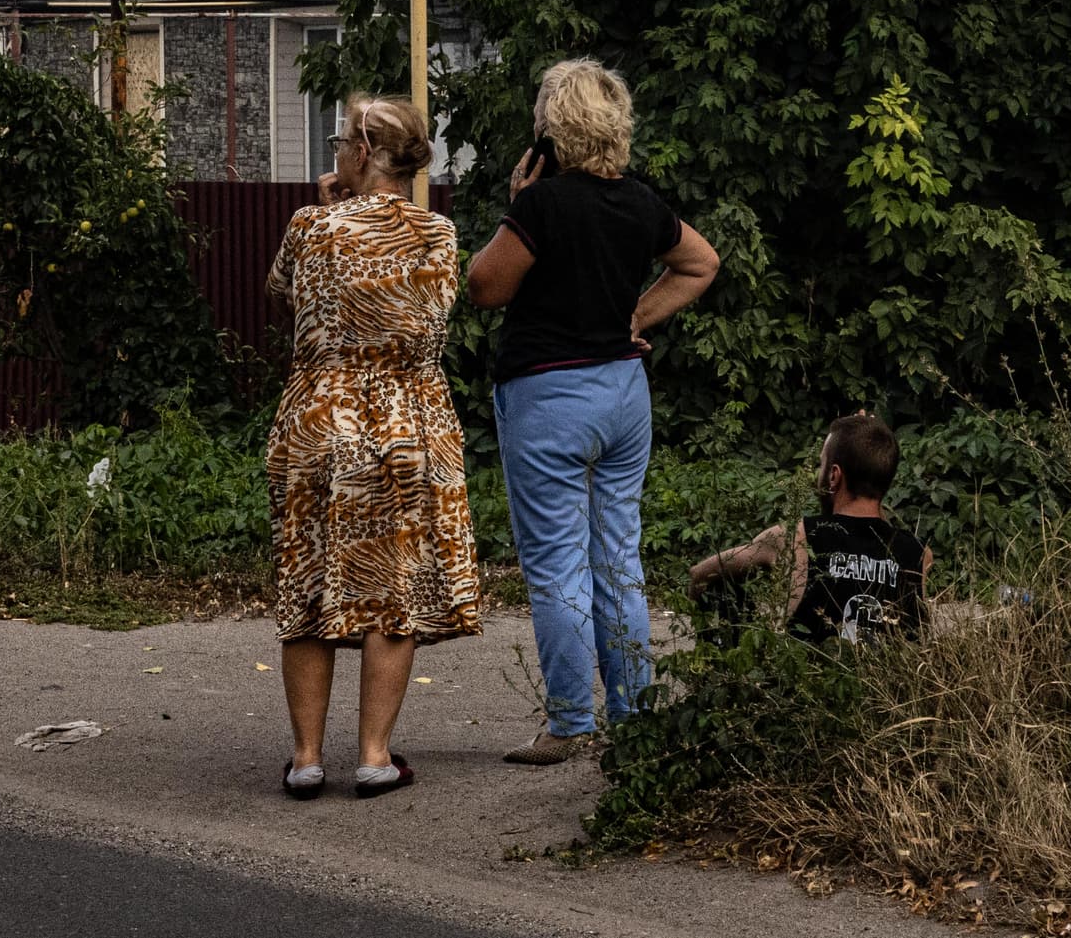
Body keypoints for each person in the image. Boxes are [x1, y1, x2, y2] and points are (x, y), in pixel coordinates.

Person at [462, 56, 720, 765]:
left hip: (549, 396)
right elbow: (701, 262)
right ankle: (634, 713)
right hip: (622, 395)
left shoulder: (542, 205)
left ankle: (572, 721)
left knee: (556, 566)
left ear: (552, 128)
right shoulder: (641, 202)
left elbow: (484, 285)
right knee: (618, 557)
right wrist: (637, 313)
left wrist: (518, 200)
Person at [263, 96, 481, 800]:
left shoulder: (309, 227)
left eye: (337, 142)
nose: (334, 153)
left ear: (362, 150)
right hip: (404, 423)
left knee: (310, 579)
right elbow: (437, 314)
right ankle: (374, 755)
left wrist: (327, 209)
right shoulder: (437, 234)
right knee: (392, 586)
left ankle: (304, 759)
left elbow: (281, 295)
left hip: (320, 422)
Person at [688, 411, 932, 644]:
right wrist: (867, 450)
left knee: (725, 583)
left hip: (811, 683)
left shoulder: (797, 537)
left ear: (833, 476)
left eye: (822, 463)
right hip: (892, 686)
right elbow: (879, 536)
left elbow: (701, 574)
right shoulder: (918, 554)